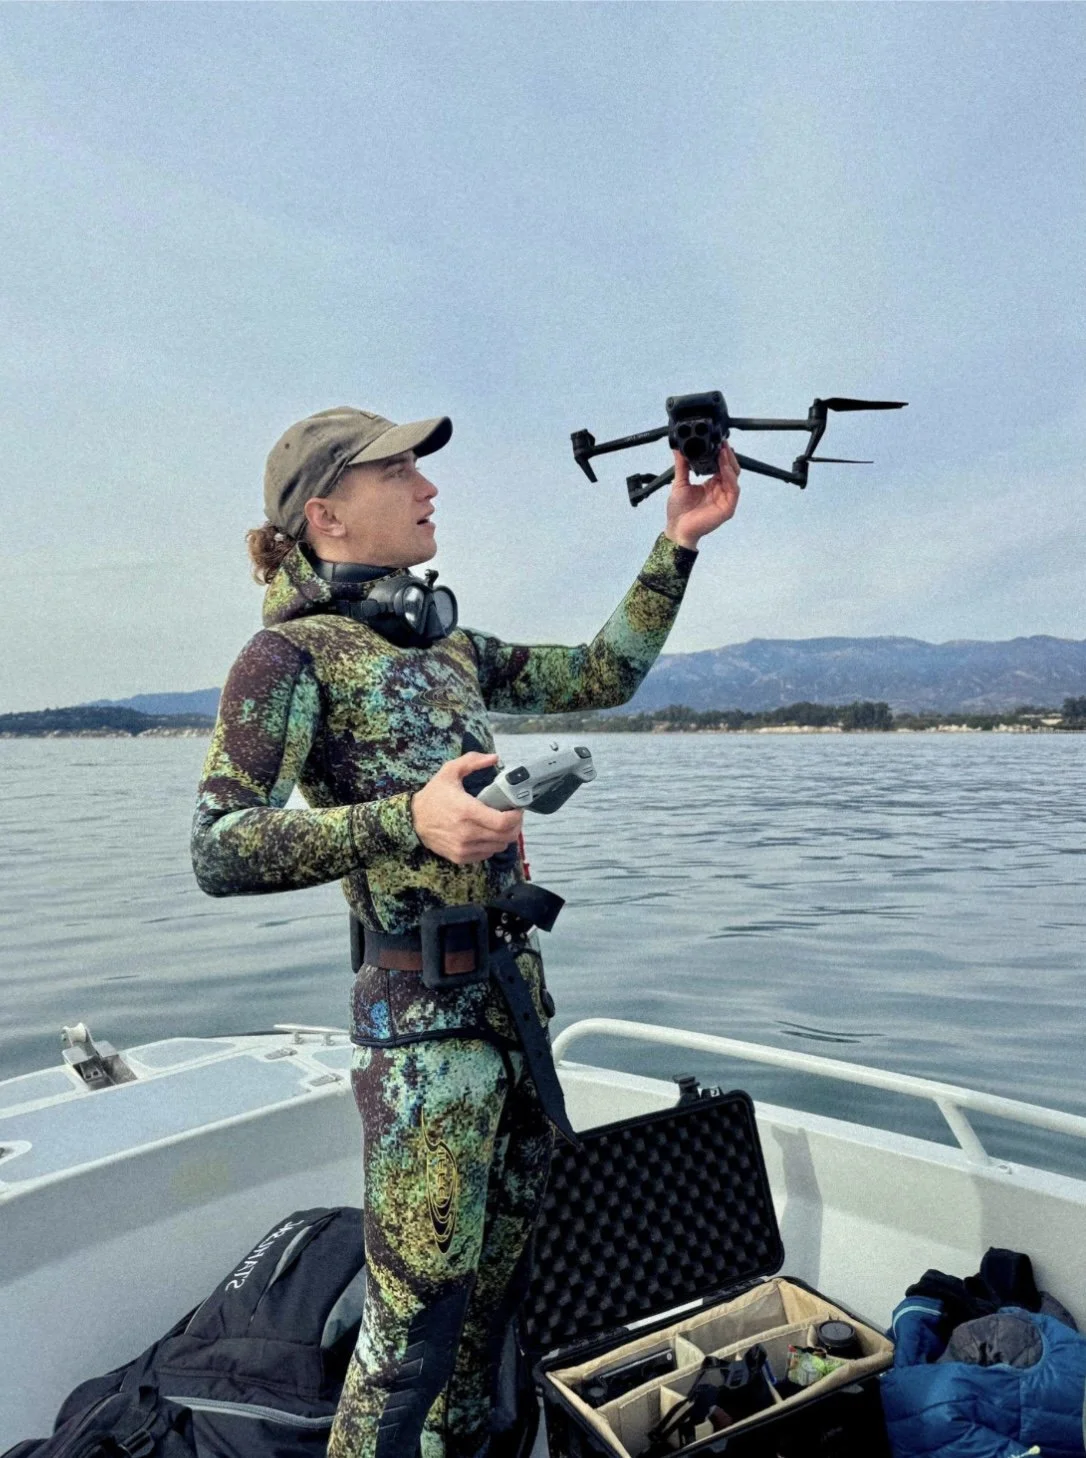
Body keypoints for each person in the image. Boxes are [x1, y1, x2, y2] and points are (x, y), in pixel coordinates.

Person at [191, 404, 740, 1458]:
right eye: (401, 471)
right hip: (422, 1045)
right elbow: (217, 845)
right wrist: (407, 818)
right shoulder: (286, 659)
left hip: (512, 1019)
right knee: (410, 1337)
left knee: (497, 1308)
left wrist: (677, 541)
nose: (430, 488)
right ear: (329, 514)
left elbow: (600, 675)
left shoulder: (443, 644)